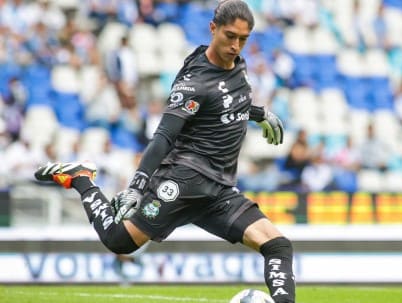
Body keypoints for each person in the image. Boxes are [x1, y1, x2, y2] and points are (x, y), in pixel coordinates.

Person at [34, 1, 295, 302]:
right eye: (230, 36)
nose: (236, 45)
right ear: (213, 29)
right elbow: (164, 136)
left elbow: (224, 102)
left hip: (219, 189)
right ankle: (81, 178)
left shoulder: (236, 65)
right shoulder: (194, 82)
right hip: (184, 180)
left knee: (278, 245)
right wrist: (136, 186)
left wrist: (260, 113)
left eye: (243, 39)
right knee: (119, 241)